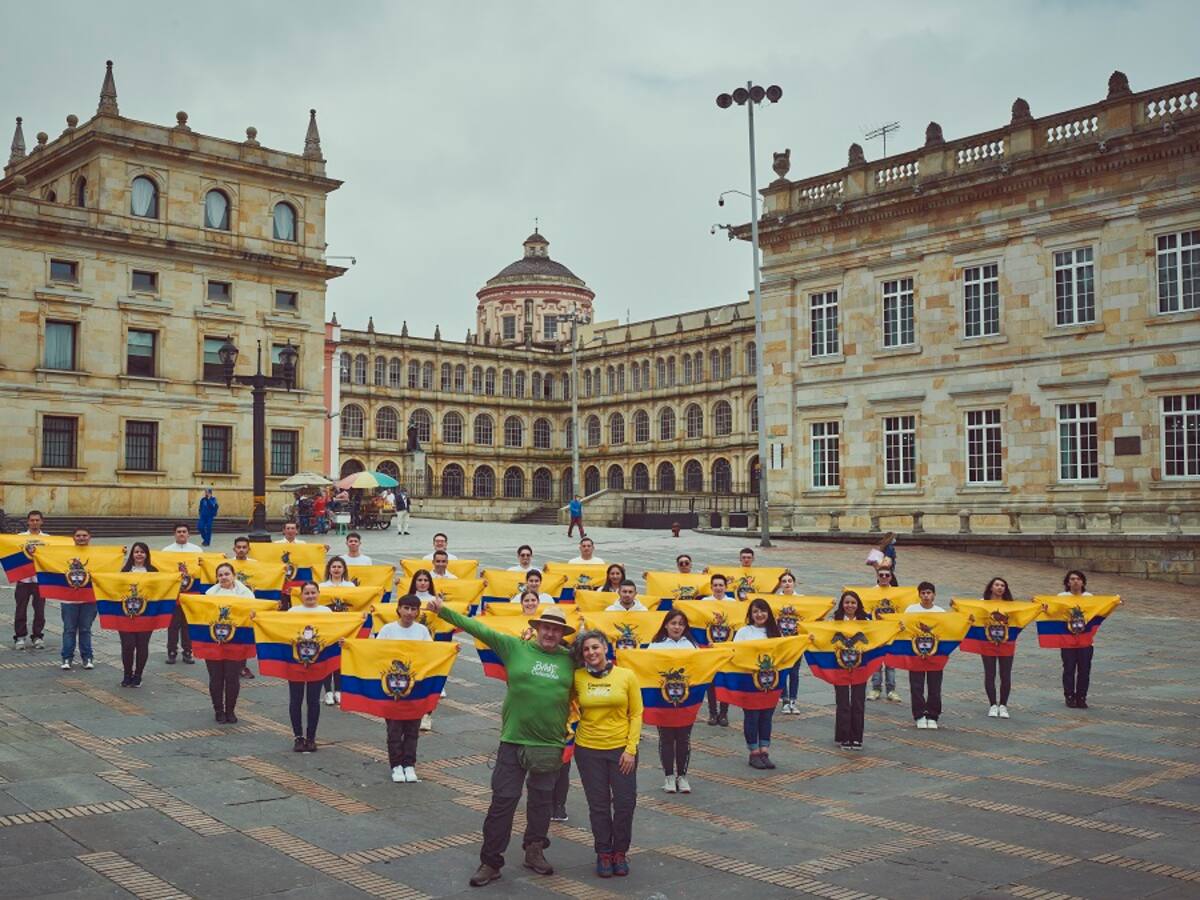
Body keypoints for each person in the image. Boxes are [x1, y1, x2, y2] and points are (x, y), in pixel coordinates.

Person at [426, 597, 575, 887]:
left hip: (549, 744)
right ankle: (490, 861)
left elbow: (601, 666)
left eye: (557, 630)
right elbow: (479, 629)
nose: (550, 633)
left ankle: (535, 850)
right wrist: (443, 610)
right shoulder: (514, 647)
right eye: (546, 627)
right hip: (513, 740)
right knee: (503, 801)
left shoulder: (571, 660)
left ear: (563, 635)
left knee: (542, 802)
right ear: (538, 627)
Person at [572, 628, 641, 879]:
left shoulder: (626, 676)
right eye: (586, 649)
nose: (591, 652)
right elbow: (565, 703)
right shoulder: (577, 677)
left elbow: (636, 714)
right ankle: (603, 852)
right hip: (588, 750)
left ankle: (620, 852)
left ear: (605, 648)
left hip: (621, 750)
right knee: (598, 805)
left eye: (595, 647)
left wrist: (630, 750)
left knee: (625, 803)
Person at [375, 594, 432, 781]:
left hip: (415, 688)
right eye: (406, 608)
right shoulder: (387, 630)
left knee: (412, 729)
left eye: (413, 609)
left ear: (418, 611)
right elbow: (374, 653)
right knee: (394, 728)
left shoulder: (422, 631)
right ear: (398, 608)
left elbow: (432, 654)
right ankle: (396, 765)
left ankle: (409, 764)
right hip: (391, 689)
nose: (409, 612)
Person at [648, 610, 697, 793]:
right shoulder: (655, 646)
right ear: (666, 625)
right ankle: (668, 776)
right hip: (663, 700)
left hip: (686, 700)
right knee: (667, 738)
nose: (677, 627)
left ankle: (682, 776)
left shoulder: (692, 646)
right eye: (673, 623)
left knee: (684, 738)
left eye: (681, 624)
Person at [204, 562, 255, 722]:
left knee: (232, 677)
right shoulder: (210, 594)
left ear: (234, 575)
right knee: (216, 676)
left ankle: (230, 710)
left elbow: (253, 613)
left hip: (237, 641)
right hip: (214, 640)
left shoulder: (246, 594)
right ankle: (218, 710)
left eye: (227, 574)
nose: (223, 577)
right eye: (220, 575)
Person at [285, 581, 332, 752]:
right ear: (301, 595)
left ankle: (311, 737)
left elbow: (333, 633)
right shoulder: (292, 612)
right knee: (295, 700)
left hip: (317, 662)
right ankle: (298, 736)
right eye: (307, 593)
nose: (310, 596)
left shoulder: (326, 612)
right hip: (296, 662)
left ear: (319, 594)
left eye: (313, 592)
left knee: (313, 701)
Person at [735, 599, 781, 769]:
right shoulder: (744, 632)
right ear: (750, 615)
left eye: (762, 611)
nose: (759, 615)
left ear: (768, 613)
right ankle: (753, 752)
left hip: (770, 682)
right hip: (749, 681)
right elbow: (734, 652)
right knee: (752, 717)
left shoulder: (775, 633)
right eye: (755, 612)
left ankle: (764, 751)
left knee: (766, 716)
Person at [905, 581, 947, 729]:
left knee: (935, 686)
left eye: (929, 593)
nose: (926, 596)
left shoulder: (940, 612)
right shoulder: (911, 610)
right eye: (923, 593)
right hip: (915, 653)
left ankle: (933, 714)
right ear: (919, 595)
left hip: (935, 654)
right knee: (916, 686)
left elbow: (948, 631)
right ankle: (919, 714)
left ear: (934, 595)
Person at [833, 590, 870, 750]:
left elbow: (875, 638)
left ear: (858, 605)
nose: (850, 605)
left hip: (860, 666)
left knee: (858, 701)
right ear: (842, 605)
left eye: (853, 602)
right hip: (839, 666)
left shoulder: (866, 621)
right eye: (847, 602)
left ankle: (857, 737)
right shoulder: (834, 621)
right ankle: (844, 736)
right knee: (842, 702)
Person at [117, 543, 158, 687]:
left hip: (146, 615)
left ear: (147, 554)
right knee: (127, 645)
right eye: (136, 552)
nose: (139, 554)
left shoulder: (154, 572)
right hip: (126, 615)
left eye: (142, 552)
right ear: (132, 555)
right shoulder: (124, 571)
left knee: (142, 645)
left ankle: (138, 675)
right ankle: (127, 674)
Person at [160, 524, 200, 665]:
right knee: (172, 625)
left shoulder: (197, 551)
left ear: (189, 534)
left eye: (184, 532)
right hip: (173, 595)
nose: (181, 534)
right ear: (174, 534)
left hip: (190, 595)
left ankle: (188, 652)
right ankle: (171, 652)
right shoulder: (166, 551)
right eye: (178, 532)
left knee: (188, 625)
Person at [60, 527, 98, 671]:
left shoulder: (97, 554)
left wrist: (120, 554)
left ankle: (87, 657)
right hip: (69, 599)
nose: (81, 538)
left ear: (89, 537)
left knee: (85, 629)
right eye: (78, 535)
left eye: (84, 535)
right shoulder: (65, 554)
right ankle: (66, 658)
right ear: (73, 538)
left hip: (89, 599)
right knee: (69, 630)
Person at [319, 557, 354, 706]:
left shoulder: (350, 586)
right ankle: (327, 691)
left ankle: (339, 690)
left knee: (340, 659)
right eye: (334, 567)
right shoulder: (321, 586)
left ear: (344, 569)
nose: (336, 569)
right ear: (329, 569)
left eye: (339, 567)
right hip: (327, 627)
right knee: (327, 657)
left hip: (344, 627)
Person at [1058, 569, 1094, 710]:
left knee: (1084, 670)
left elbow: (1101, 610)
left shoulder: (1089, 597)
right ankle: (1069, 696)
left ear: (1083, 582)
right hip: (1067, 639)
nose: (1075, 581)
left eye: (1078, 579)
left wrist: (1114, 602)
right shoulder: (1062, 596)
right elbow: (1053, 610)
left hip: (1085, 639)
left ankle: (1081, 696)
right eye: (1072, 579)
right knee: (1069, 668)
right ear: (1068, 582)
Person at [980, 576, 1015, 719]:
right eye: (997, 585)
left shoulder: (1011, 604)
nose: (1000, 587)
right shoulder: (983, 603)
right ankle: (993, 704)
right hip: (988, 642)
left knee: (1005, 675)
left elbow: (1022, 617)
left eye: (1002, 585)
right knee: (990, 674)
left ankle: (1004, 705)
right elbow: (970, 613)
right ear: (991, 587)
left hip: (1006, 643)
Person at [13, 510, 48, 651]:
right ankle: (20, 636)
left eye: (37, 520)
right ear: (28, 522)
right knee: (20, 609)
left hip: (40, 579)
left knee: (40, 610)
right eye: (32, 520)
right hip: (23, 579)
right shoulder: (19, 538)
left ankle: (37, 636)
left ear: (41, 521)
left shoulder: (48, 539)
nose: (34, 523)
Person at [867, 562, 901, 703]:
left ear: (891, 576)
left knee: (890, 662)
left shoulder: (897, 593)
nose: (884, 577)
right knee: (876, 661)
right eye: (881, 575)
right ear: (877, 576)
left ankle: (891, 690)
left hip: (891, 631)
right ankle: (876, 688)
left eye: (887, 575)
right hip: (876, 631)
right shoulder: (871, 592)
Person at [774, 571, 802, 715]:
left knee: (795, 672)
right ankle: (784, 699)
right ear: (780, 584)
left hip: (796, 641)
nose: (787, 583)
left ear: (794, 583)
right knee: (782, 671)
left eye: (789, 581)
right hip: (781, 642)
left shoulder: (802, 600)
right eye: (784, 581)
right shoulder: (774, 600)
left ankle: (793, 700)